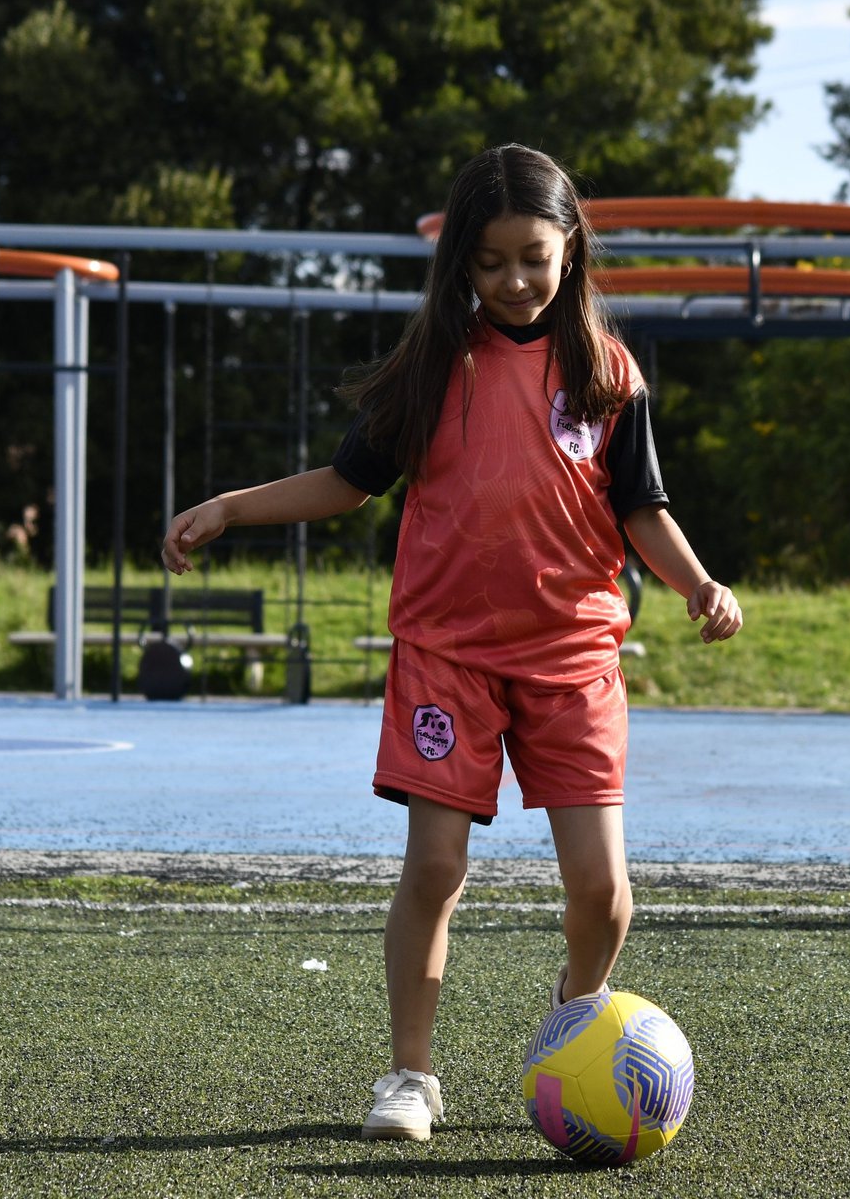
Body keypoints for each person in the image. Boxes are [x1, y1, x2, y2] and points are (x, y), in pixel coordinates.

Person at [159, 143, 742, 1142]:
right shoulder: (434, 368)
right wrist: (232, 506)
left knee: (604, 895)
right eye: (490, 261)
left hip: (572, 663)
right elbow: (347, 483)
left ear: (572, 251)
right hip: (449, 657)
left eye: (535, 256)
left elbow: (642, 508)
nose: (515, 278)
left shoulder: (607, 372)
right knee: (433, 868)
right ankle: (410, 1076)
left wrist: (697, 582)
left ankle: (574, 1024)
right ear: (460, 266)